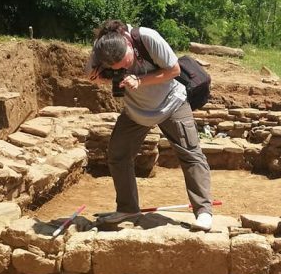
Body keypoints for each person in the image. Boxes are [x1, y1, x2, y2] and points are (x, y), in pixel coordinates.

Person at [87, 20, 214, 231]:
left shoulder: (147, 38)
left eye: (126, 63)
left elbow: (173, 70)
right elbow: (91, 77)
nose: (124, 69)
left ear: (128, 45)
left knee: (191, 154)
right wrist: (101, 77)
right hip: (136, 111)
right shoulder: (100, 50)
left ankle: (203, 212)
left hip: (172, 103)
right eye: (117, 69)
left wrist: (139, 80)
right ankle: (128, 208)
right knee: (118, 155)